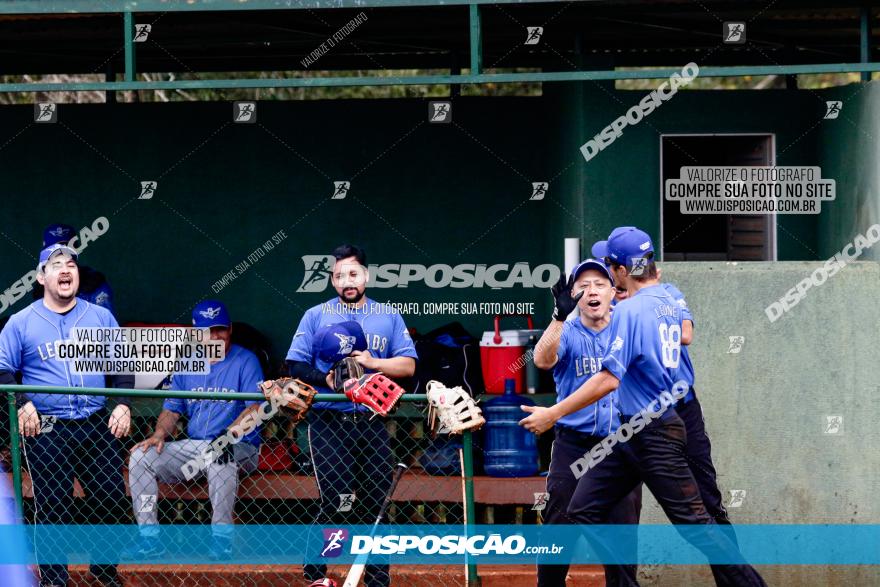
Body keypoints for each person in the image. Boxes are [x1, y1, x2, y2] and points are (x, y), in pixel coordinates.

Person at [520, 228, 766, 586]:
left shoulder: (632, 310)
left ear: (620, 271)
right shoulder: (665, 297)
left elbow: (608, 379)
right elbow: (680, 334)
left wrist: (552, 413)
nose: (598, 285)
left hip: (653, 430)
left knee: (696, 525)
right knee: (580, 508)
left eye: (607, 271)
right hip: (628, 431)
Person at [0, 243, 132, 587]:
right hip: (47, 427)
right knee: (54, 507)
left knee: (112, 501)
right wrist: (24, 402)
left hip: (95, 423)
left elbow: (122, 365)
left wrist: (122, 403)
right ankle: (55, 580)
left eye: (70, 264)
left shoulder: (100, 317)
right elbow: (2, 370)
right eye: (55, 264)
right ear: (42, 277)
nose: (65, 270)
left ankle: (104, 572)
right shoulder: (21, 322)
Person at [286, 244, 417, 587]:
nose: (347, 280)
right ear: (332, 280)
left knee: (375, 504)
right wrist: (326, 379)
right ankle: (317, 575)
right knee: (339, 500)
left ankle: (376, 580)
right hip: (329, 420)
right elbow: (295, 363)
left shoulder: (388, 316)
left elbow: (408, 365)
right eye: (340, 275)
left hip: (372, 420)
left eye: (353, 273)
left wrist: (374, 362)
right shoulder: (316, 315)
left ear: (366, 276)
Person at [125, 300, 264, 560]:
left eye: (220, 329)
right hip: (196, 448)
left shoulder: (246, 360)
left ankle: (221, 540)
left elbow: (255, 409)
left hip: (239, 447)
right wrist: (158, 434)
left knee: (220, 454)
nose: (215, 336)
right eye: (207, 331)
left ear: (230, 329)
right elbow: (172, 410)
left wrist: (228, 436)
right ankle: (149, 538)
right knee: (140, 458)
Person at [533, 259, 642, 587]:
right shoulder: (567, 331)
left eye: (599, 283)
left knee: (621, 538)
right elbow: (542, 359)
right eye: (583, 285)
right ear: (573, 294)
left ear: (613, 291)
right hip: (574, 445)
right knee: (559, 526)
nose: (591, 290)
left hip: (621, 446)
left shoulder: (628, 330)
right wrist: (558, 317)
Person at [33, 223, 115, 315]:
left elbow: (105, 324)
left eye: (66, 249)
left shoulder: (94, 284)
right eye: (53, 251)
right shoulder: (41, 289)